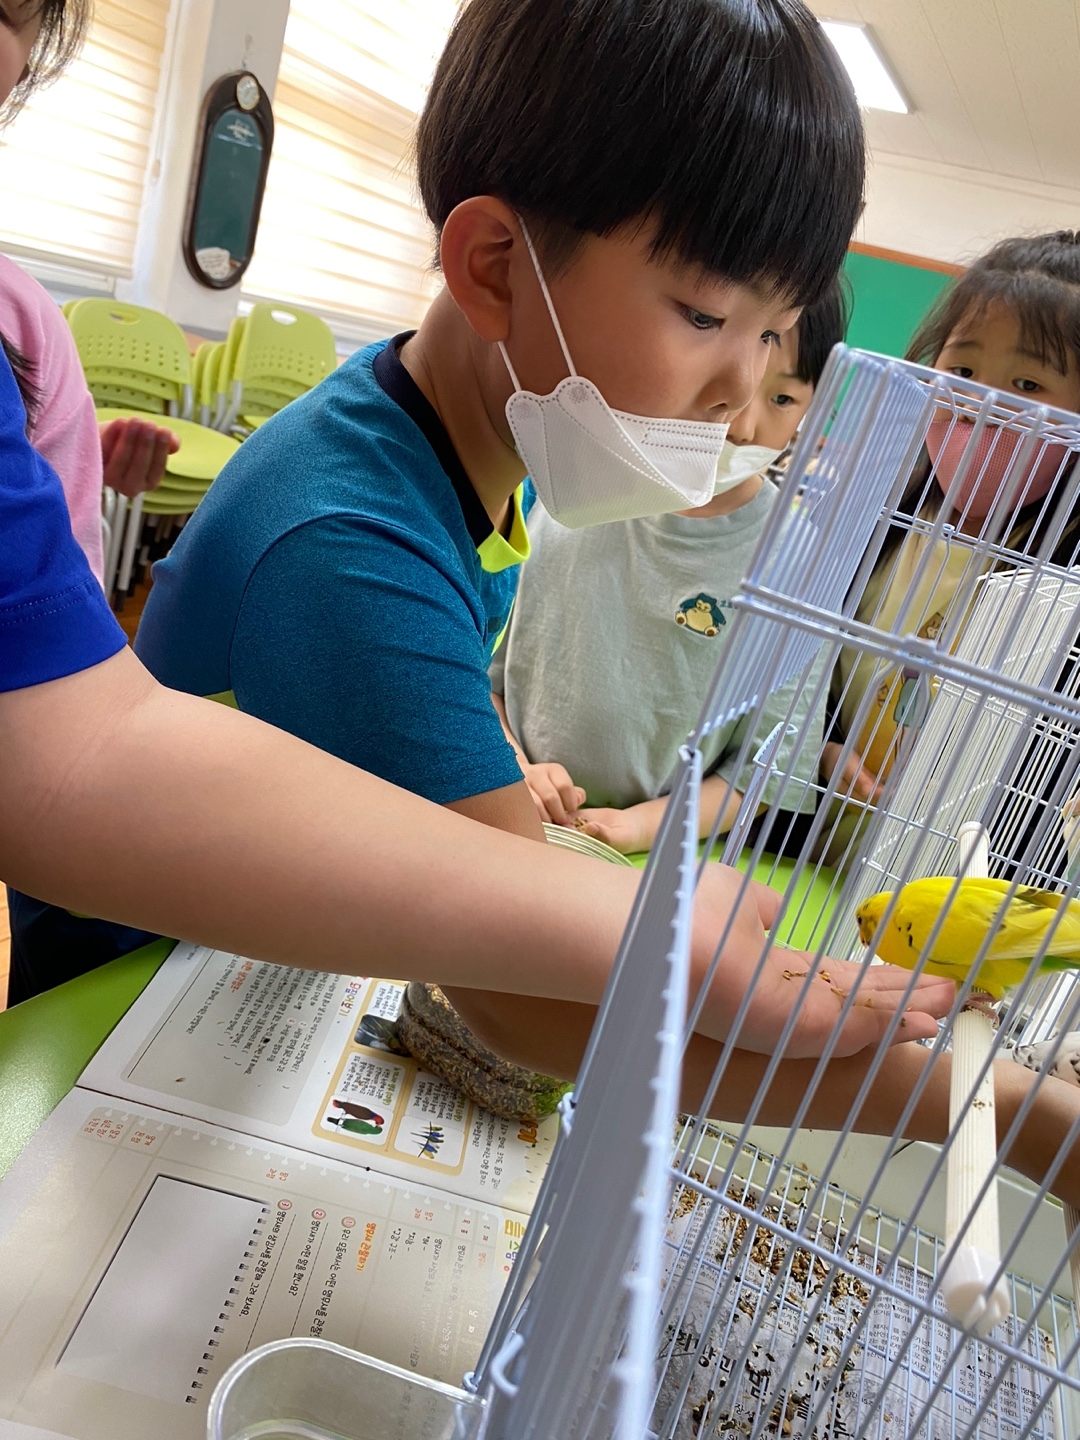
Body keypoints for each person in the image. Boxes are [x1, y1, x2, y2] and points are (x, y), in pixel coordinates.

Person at [1, 0, 1079, 1215]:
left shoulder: (461, 450)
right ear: (496, 269)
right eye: (706, 316)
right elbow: (525, 1001)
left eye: (774, 336)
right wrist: (1000, 1109)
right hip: (138, 1015)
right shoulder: (350, 539)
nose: (738, 397)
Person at [490, 284, 847, 854]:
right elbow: (483, 668)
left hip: (651, 853)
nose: (743, 425)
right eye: (728, 380)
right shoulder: (572, 487)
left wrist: (640, 826)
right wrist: (509, 765)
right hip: (496, 801)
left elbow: (768, 766)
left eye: (783, 399)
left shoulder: (800, 561)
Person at [819, 232, 1080, 868]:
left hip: (951, 872)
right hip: (804, 829)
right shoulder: (875, 512)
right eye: (962, 372)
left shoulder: (1064, 583)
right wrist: (816, 747)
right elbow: (793, 659)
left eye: (1027, 383)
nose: (981, 403)